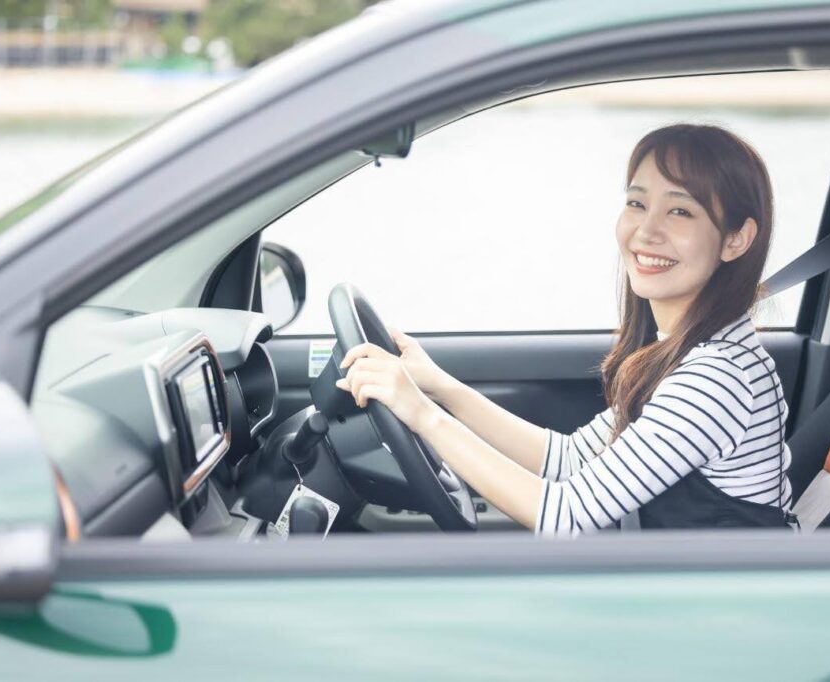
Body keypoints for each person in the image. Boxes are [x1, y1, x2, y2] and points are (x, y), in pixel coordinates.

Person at [334, 123, 795, 537]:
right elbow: (569, 460)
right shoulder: (687, 352)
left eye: (680, 212)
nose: (645, 231)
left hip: (719, 620)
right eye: (637, 203)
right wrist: (439, 387)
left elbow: (566, 515)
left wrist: (420, 413)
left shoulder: (716, 378)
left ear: (736, 240)